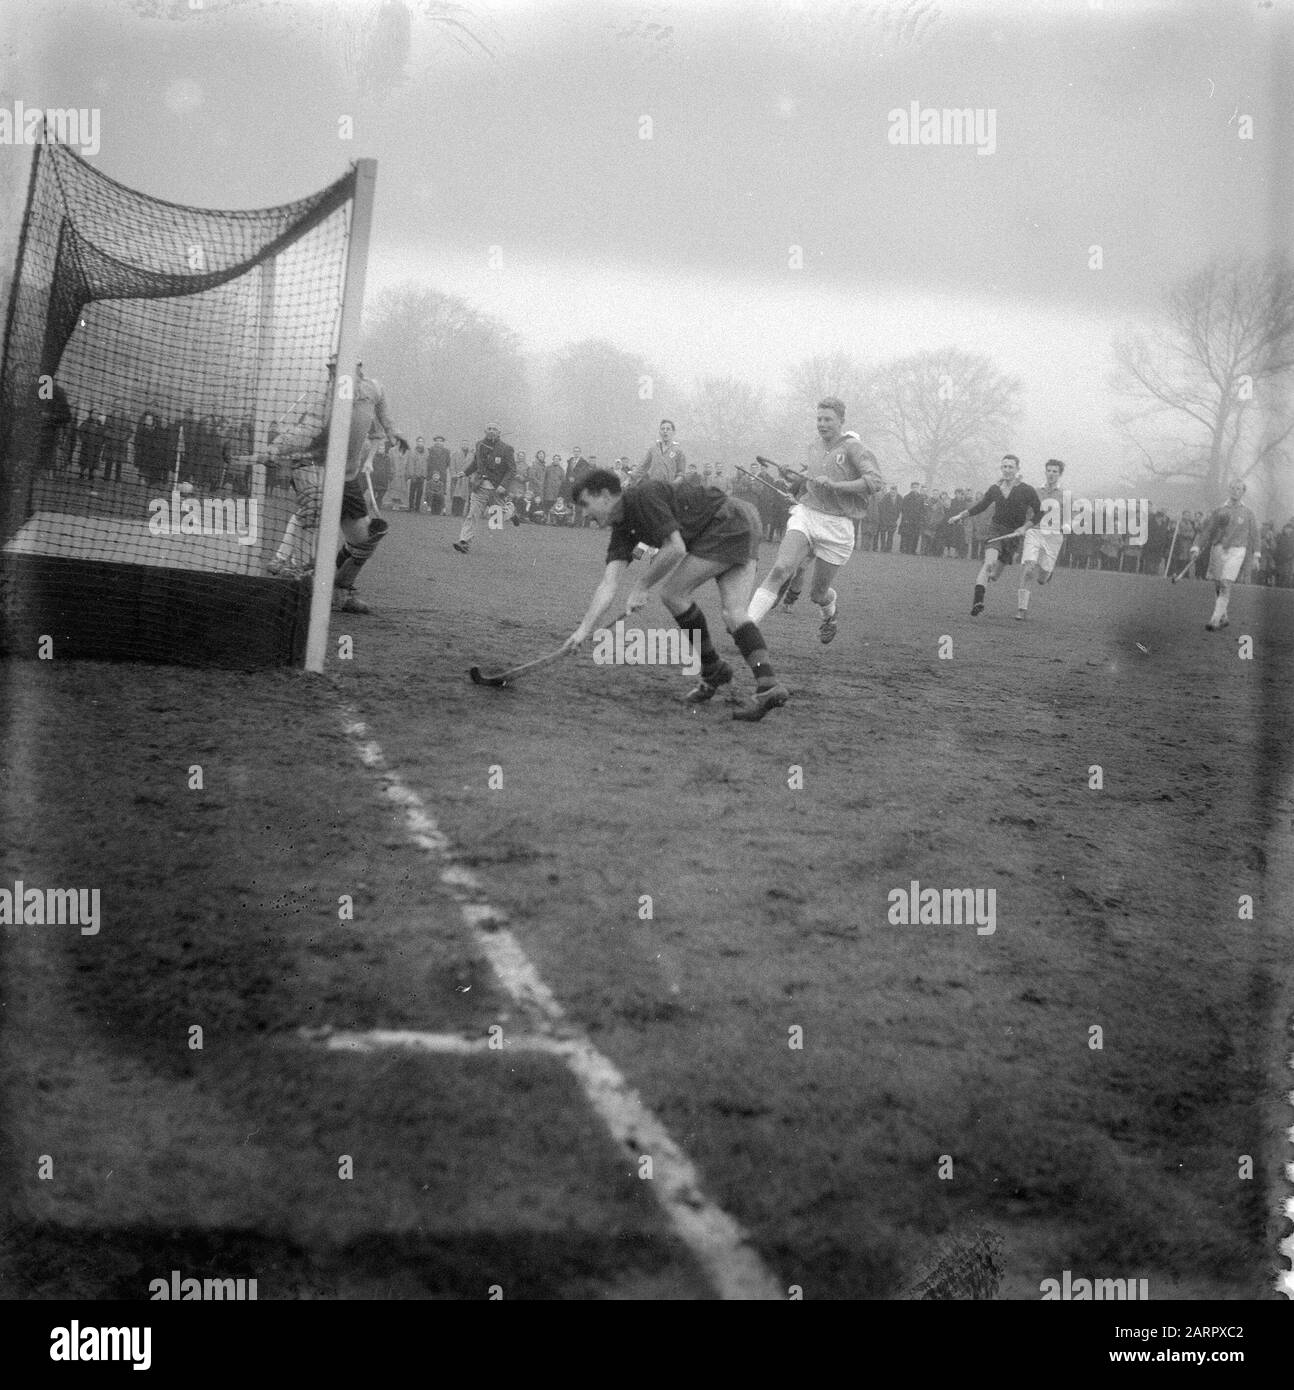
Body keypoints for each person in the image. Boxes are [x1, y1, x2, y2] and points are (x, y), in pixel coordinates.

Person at [567, 468, 789, 720]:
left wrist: (641, 586)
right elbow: (608, 584)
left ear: (605, 496)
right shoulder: (622, 529)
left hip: (727, 519)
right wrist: (582, 631)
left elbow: (675, 548)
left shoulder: (643, 497)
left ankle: (713, 667)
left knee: (673, 593)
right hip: (742, 518)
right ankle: (768, 685)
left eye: (585, 504)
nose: (584, 513)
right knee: (734, 612)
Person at [268, 359, 408, 612]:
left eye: (341, 371)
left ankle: (341, 592)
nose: (336, 377)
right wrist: (276, 447)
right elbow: (303, 433)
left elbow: (384, 416)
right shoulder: (324, 402)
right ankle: (296, 580)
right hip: (314, 468)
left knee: (364, 539)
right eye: (332, 373)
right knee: (312, 517)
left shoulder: (374, 389)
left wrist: (394, 433)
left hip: (346, 475)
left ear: (359, 371)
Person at [745, 397, 884, 644]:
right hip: (808, 516)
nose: (822, 423)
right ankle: (745, 629)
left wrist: (837, 485)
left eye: (828, 419)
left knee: (818, 594)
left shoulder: (853, 447)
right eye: (819, 418)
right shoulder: (814, 446)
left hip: (838, 527)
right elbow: (812, 479)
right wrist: (794, 479)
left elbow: (874, 482)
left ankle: (829, 615)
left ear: (841, 421)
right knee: (781, 568)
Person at [947, 455, 1040, 616]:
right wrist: (959, 516)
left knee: (994, 575)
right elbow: (980, 506)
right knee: (988, 563)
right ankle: (978, 601)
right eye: (1004, 467)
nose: (1007, 470)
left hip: (1013, 535)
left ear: (1017, 469)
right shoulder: (995, 489)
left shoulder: (1027, 490)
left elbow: (1040, 512)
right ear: (1001, 468)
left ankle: (987, 579)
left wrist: (1025, 527)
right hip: (995, 530)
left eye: (1011, 467)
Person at [1189, 480, 1260, 630]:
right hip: (1218, 548)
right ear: (1229, 490)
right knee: (1218, 583)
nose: (1235, 491)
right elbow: (1208, 530)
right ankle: (1224, 616)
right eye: (1233, 488)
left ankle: (1214, 620)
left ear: (1243, 492)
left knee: (1226, 582)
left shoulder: (1248, 513)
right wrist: (1196, 547)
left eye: (1238, 489)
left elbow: (1255, 535)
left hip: (1237, 550)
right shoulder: (1219, 510)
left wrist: (1256, 556)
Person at [453, 423, 516, 554]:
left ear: (499, 432)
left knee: (498, 518)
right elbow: (476, 463)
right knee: (472, 515)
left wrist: (503, 485)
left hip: (496, 490)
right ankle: (464, 541)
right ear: (485, 431)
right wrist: (465, 472)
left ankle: (511, 512)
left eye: (495, 429)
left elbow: (512, 470)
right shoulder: (479, 445)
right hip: (480, 487)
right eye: (489, 429)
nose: (491, 431)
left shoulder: (506, 449)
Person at [1015, 458, 1067, 620]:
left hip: (1053, 536)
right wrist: (1023, 526)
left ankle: (1047, 573)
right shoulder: (1036, 491)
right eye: (1049, 471)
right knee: (1029, 568)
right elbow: (1025, 509)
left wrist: (1067, 524)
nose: (1051, 474)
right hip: (1035, 532)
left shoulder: (1064, 495)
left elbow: (1070, 515)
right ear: (1045, 472)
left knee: (1042, 578)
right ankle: (1021, 609)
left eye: (1055, 472)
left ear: (1059, 475)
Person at [636, 419, 686, 483]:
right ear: (659, 432)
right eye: (663, 429)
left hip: (669, 488)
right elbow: (642, 467)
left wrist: (672, 485)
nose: (665, 431)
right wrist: (629, 479)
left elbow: (681, 474)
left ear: (673, 432)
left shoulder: (678, 451)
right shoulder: (653, 449)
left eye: (668, 429)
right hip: (654, 487)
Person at [426, 435, 451, 515]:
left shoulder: (446, 451)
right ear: (435, 442)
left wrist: (441, 469)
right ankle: (430, 508)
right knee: (431, 490)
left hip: (442, 474)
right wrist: (432, 471)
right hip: (432, 473)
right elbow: (428, 462)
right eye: (437, 441)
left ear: (443, 442)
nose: (439, 442)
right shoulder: (430, 450)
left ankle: (440, 509)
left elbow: (447, 463)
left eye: (440, 441)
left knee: (441, 492)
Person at [898, 481, 924, 554]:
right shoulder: (906, 497)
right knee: (906, 535)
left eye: (917, 487)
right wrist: (906, 519)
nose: (915, 489)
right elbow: (904, 509)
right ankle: (904, 549)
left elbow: (922, 509)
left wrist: (920, 519)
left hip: (917, 520)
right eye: (914, 487)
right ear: (911, 488)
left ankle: (912, 550)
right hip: (907, 520)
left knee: (915, 536)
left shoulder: (920, 498)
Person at [408, 436, 430, 512]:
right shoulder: (413, 452)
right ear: (416, 442)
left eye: (421, 442)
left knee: (420, 493)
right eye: (419, 441)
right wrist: (412, 474)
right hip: (414, 475)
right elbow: (411, 464)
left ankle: (417, 507)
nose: (420, 443)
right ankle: (411, 507)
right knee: (412, 492)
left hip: (422, 476)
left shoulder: (427, 452)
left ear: (423, 443)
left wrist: (424, 475)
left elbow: (427, 464)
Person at [876, 484, 901, 553]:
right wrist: (883, 519)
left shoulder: (899, 498)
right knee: (883, 534)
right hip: (885, 519)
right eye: (892, 490)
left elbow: (899, 509)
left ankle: (889, 548)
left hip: (893, 520)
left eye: (894, 490)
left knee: (890, 535)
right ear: (890, 490)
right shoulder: (885, 497)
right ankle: (883, 548)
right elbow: (882, 509)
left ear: (896, 491)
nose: (893, 492)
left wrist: (896, 517)